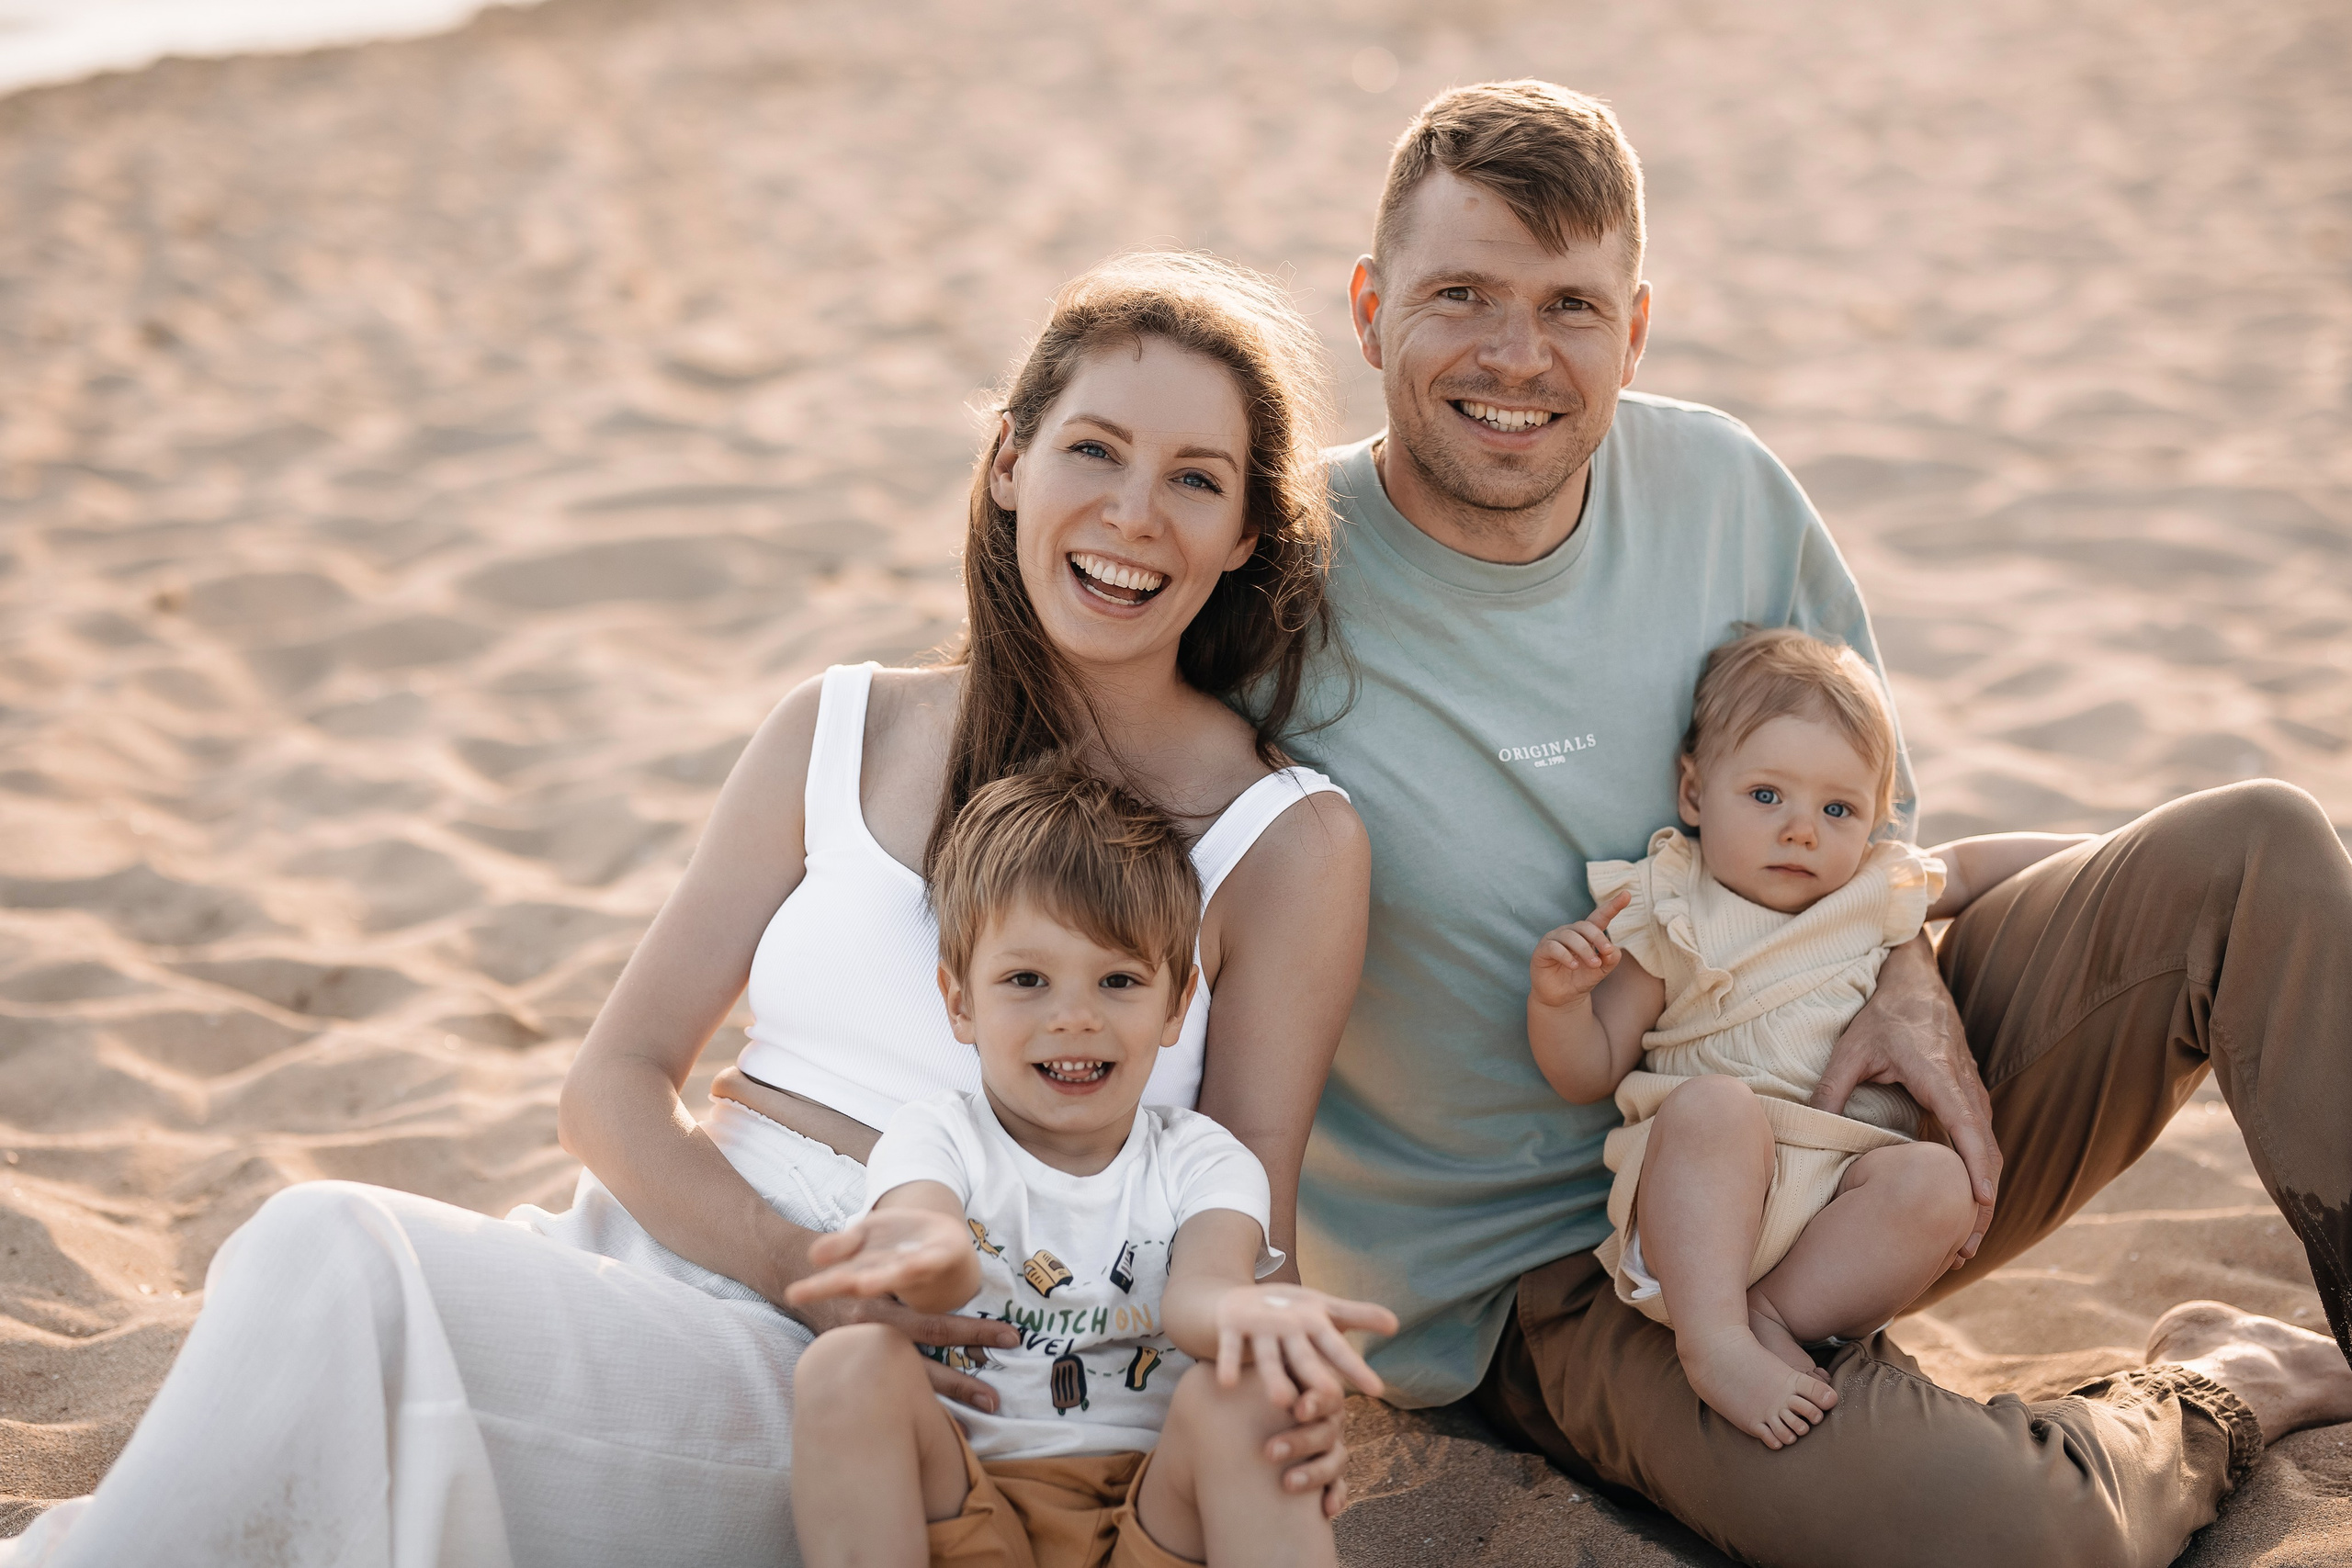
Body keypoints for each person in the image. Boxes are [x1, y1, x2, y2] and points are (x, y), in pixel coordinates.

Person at [0, 253, 1372, 1568]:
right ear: (1010, 460)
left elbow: (1249, 1195)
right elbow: (614, 1081)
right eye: (1095, 448)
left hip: (898, 1375)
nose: (1135, 512)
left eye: (1194, 478)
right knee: (309, 1299)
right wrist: (790, 1256)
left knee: (330, 1254)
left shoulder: (1283, 836)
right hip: (671, 1250)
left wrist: (1266, 1372)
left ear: (1246, 530)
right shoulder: (840, 724)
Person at [1283, 78, 2352, 1567]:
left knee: (2263, 846)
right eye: (1459, 294)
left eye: (1572, 306)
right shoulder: (1277, 585)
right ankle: (2223, 1385)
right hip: (1584, 1273)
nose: (1517, 356)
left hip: (1856, 1102)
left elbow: (1884, 820)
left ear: (1636, 327)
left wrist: (1909, 970)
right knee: (2017, 1537)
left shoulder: (1725, 486)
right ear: (1366, 303)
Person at [787, 766, 1395, 1568]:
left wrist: (1252, 1315)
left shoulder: (1202, 1160)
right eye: (1026, 980)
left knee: (1245, 1396)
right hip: (966, 1501)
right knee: (846, 1361)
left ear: (1176, 1004)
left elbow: (1199, 1296)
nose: (1073, 1016)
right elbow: (930, 1245)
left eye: (1118, 980)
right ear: (960, 1002)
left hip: (1153, 1510)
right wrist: (931, 1257)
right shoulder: (936, 1137)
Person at [1527, 628, 2080, 1448]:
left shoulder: (1874, 886)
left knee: (1940, 1181)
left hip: (1839, 1202)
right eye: (1765, 796)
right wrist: (1559, 1000)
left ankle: (1770, 1314)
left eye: (1837, 808)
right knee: (1715, 1107)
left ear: (1873, 820)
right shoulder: (1676, 902)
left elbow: (1969, 869)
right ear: (1693, 792)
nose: (1801, 831)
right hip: (1700, 1209)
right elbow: (1588, 1070)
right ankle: (1714, 1340)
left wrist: (2109, 850)